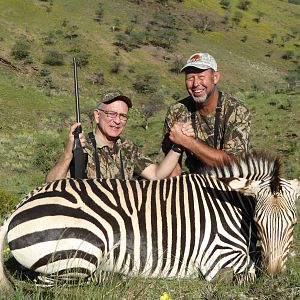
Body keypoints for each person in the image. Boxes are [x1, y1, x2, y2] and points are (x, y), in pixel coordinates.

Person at [45, 90, 193, 182]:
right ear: (97, 116)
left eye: (123, 116)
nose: (117, 121)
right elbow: (50, 184)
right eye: (111, 114)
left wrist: (179, 144)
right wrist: (67, 154)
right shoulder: (82, 147)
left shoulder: (128, 148)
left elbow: (156, 174)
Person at [162, 52, 251, 176]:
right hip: (197, 185)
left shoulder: (236, 110)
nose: (195, 83)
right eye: (190, 78)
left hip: (232, 184)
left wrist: (187, 142)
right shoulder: (176, 111)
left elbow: (234, 164)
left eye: (201, 76)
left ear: (215, 77)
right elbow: (173, 166)